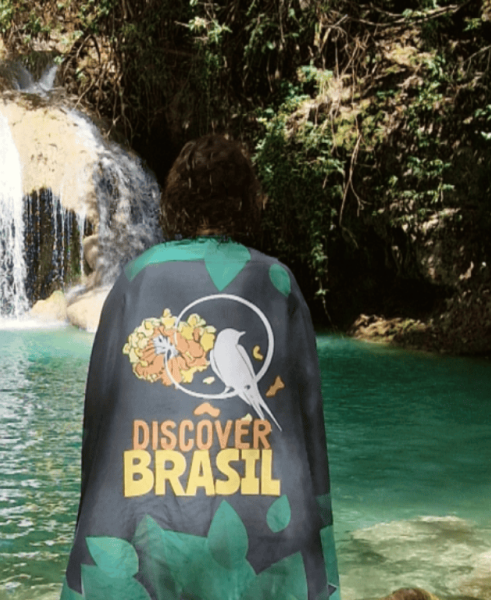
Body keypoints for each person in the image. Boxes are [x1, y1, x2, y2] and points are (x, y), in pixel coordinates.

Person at [60, 134, 340, 600]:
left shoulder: (135, 281)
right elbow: (308, 430)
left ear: (174, 204)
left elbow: (100, 429)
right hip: (265, 528)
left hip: (144, 521)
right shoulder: (278, 284)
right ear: (246, 202)